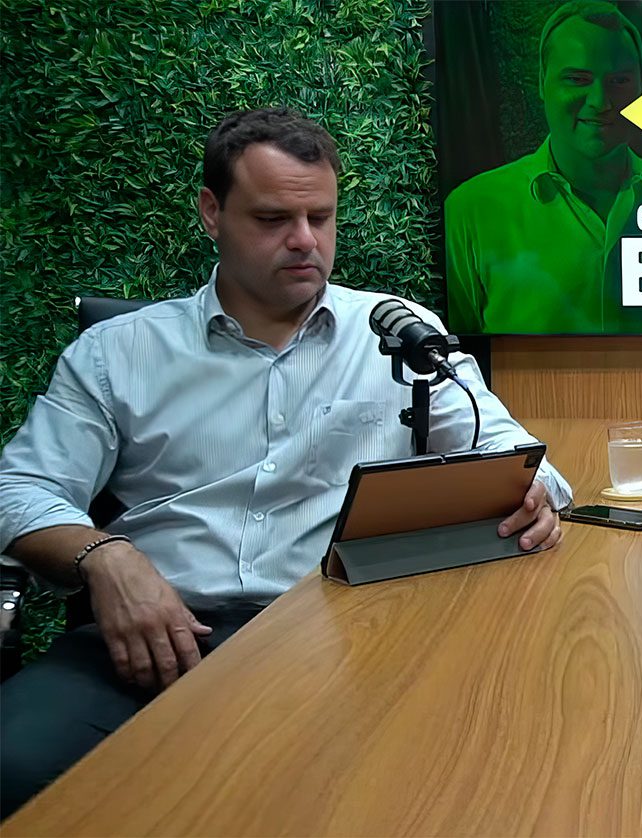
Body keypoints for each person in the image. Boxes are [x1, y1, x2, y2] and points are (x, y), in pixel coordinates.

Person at [0, 107, 574, 815]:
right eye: (273, 219)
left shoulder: (397, 335)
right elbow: (20, 489)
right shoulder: (118, 353)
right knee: (14, 760)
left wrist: (530, 491)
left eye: (320, 217)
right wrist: (106, 558)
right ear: (212, 212)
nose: (305, 241)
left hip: (350, 640)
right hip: (157, 641)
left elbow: (519, 458)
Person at [445, 0, 642, 335]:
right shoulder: (471, 211)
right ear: (542, 82)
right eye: (578, 79)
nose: (600, 102)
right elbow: (456, 354)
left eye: (619, 81)